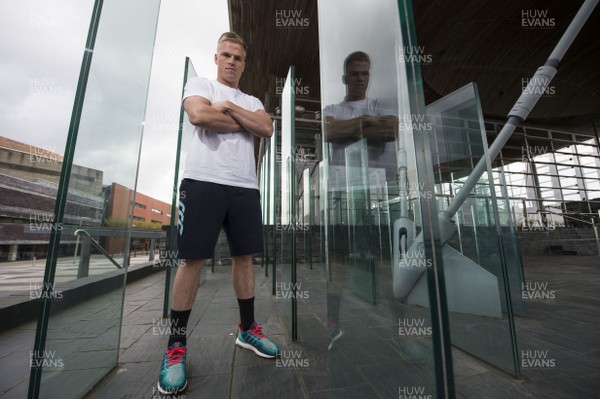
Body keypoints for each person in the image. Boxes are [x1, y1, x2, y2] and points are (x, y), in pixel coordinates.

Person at [157, 32, 280, 395]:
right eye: (225, 55)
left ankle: (247, 330)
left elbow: (267, 128)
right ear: (216, 58)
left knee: (244, 259)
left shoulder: (251, 99)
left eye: (238, 58)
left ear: (244, 63)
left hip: (244, 186)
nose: (231, 62)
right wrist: (241, 121)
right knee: (191, 261)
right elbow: (198, 115)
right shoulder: (199, 83)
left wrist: (227, 109)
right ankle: (176, 348)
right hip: (202, 181)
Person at [323, 51, 398, 350]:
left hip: (376, 195)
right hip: (342, 194)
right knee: (339, 263)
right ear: (345, 78)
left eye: (364, 73)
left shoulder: (381, 105)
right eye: (354, 73)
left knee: (387, 262)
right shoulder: (332, 108)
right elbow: (329, 131)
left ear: (369, 76)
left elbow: (391, 130)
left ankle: (400, 330)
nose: (359, 78)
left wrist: (354, 127)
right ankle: (332, 324)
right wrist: (365, 124)